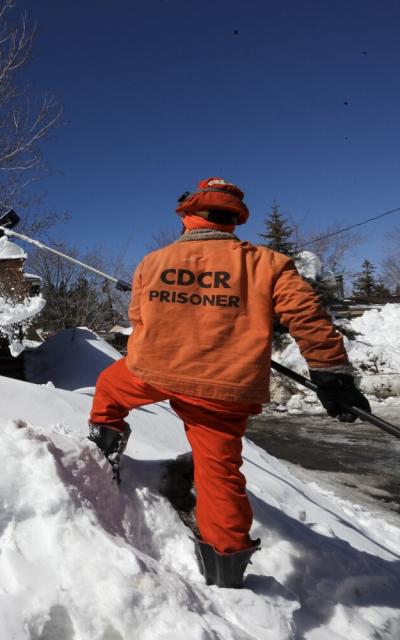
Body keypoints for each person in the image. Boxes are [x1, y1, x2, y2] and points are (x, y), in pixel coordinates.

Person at [87, 177, 371, 588]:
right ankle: (225, 568)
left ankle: (103, 452)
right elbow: (307, 318)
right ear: (234, 219)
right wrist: (332, 375)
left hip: (152, 372)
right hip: (224, 388)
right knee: (218, 472)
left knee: (109, 391)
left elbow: (138, 320)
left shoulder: (152, 262)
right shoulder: (268, 263)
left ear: (187, 214)